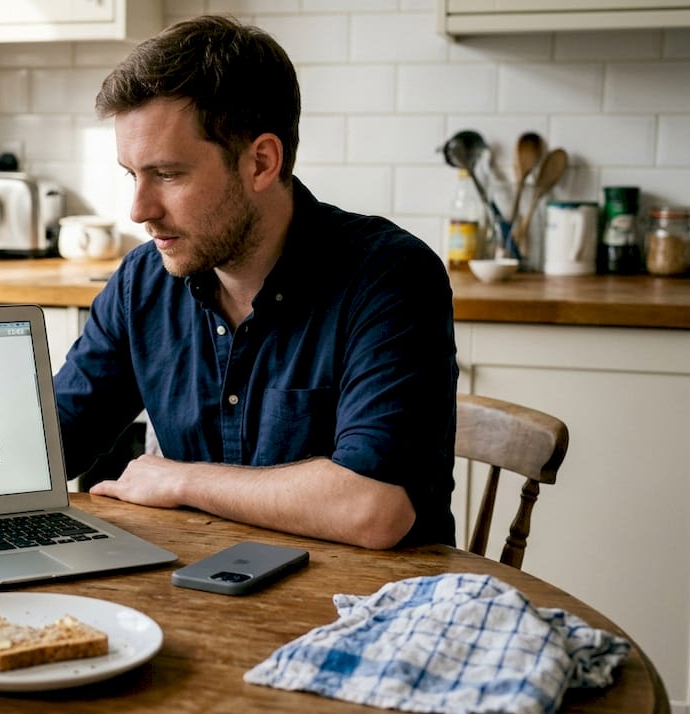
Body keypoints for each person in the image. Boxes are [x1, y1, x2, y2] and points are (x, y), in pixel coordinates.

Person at [54, 15, 459, 550]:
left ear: (261, 162)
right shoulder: (143, 281)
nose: (139, 210)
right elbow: (55, 442)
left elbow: (372, 507)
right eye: (133, 175)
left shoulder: (390, 277)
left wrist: (180, 478)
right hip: (200, 595)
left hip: (365, 612)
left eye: (169, 175)